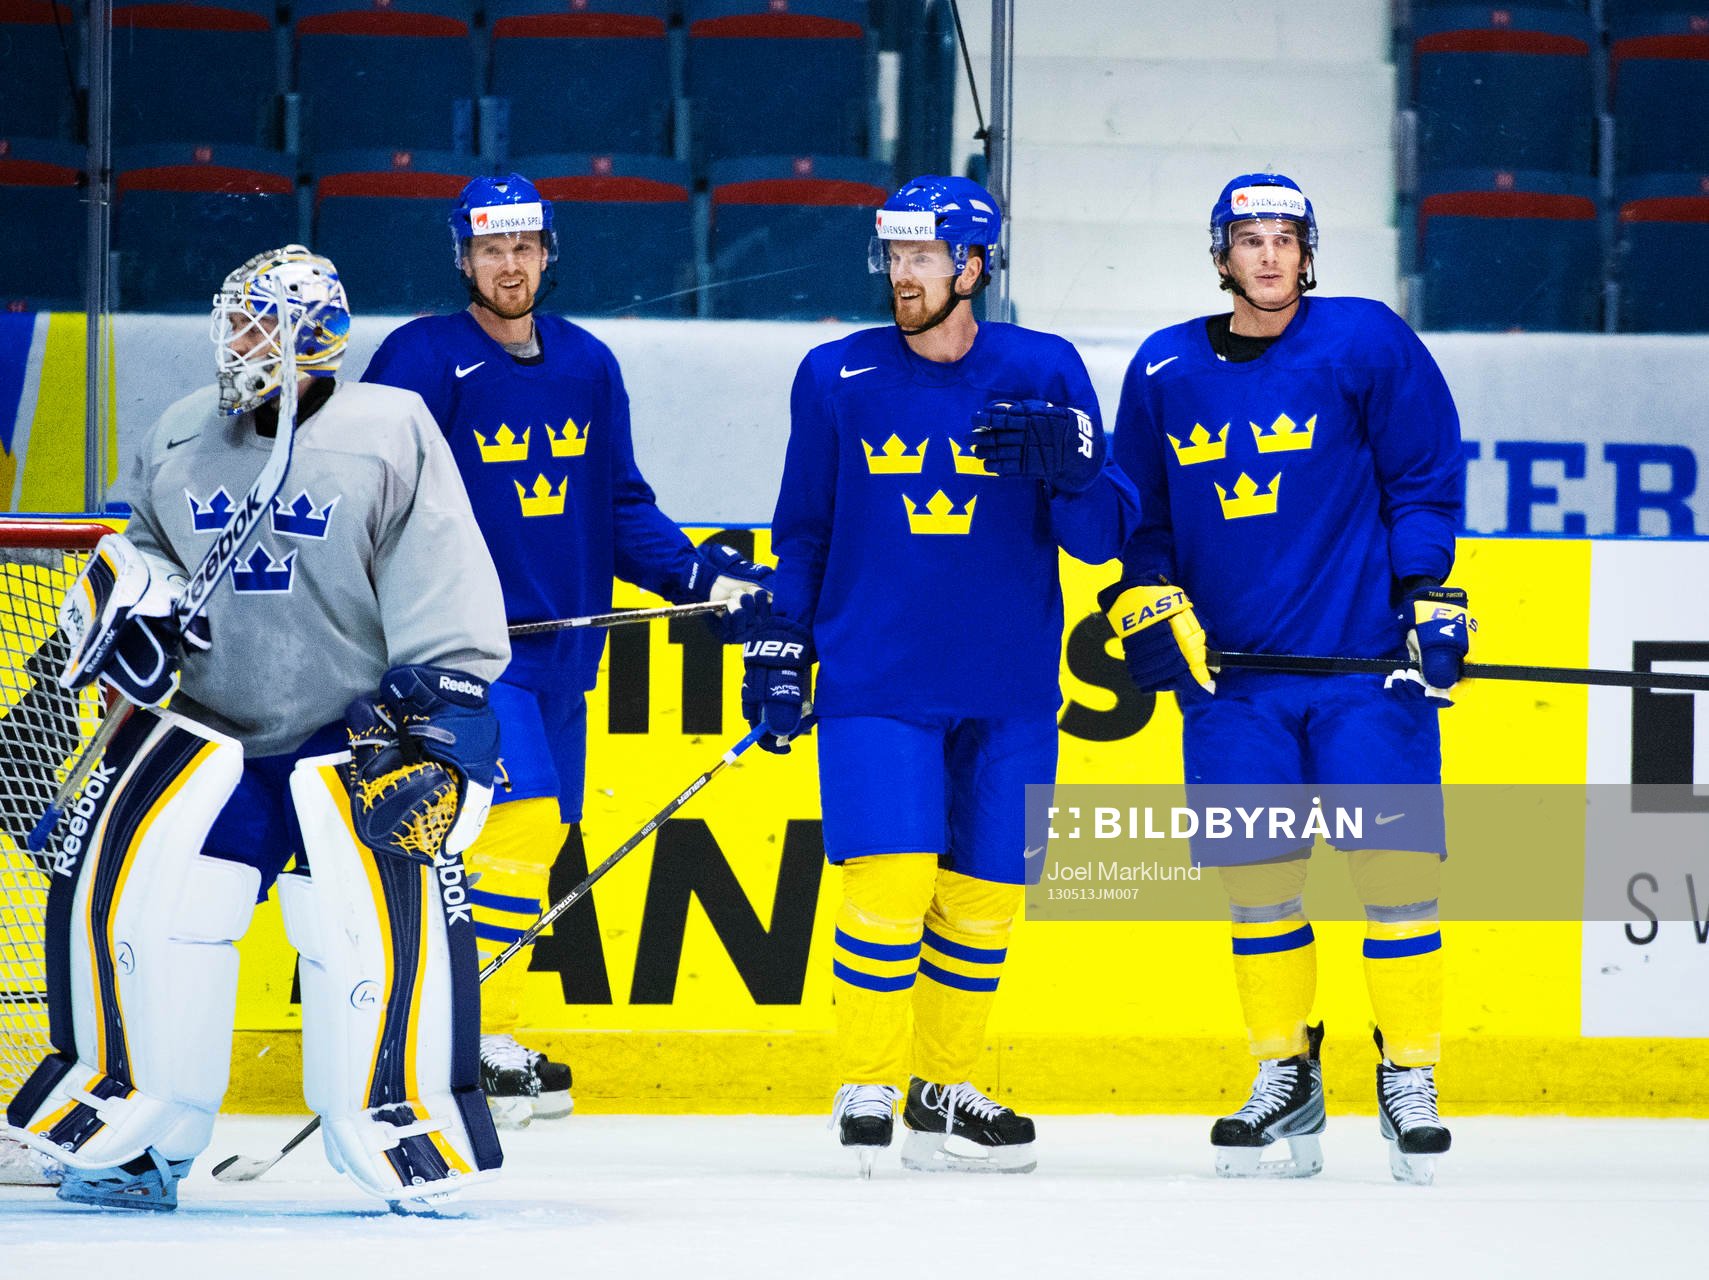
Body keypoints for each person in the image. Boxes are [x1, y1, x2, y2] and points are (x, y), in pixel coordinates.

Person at [2, 246, 511, 1211]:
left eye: (253, 323)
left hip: (346, 743)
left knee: (365, 940)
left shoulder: (388, 427)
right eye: (231, 320)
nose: (233, 341)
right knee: (162, 928)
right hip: (209, 743)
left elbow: (441, 579)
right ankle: (142, 1143)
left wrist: (438, 713)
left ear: (308, 334)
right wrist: (126, 623)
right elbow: (140, 550)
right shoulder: (183, 429)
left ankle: (402, 1133)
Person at [742, 175, 1141, 1175]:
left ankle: (940, 1087)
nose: (901, 275)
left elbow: (1097, 539)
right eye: (893, 256)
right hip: (878, 678)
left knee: (986, 895)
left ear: (971, 266)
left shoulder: (1043, 366)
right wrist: (783, 640)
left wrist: (1082, 464)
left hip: (1008, 687)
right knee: (888, 880)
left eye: (922, 257)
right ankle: (869, 1077)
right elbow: (801, 528)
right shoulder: (834, 375)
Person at [362, 174, 771, 1126]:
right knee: (515, 830)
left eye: (526, 246)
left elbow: (620, 504)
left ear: (549, 253)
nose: (510, 264)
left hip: (561, 662)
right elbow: (365, 501)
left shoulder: (587, 363)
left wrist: (701, 581)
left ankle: (470, 1030)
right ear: (462, 256)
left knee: (525, 851)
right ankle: (462, 1040)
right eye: (491, 247)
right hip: (460, 653)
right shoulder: (420, 358)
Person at [1103, 174, 1467, 1184]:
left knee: (1394, 885)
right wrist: (1143, 593)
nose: (1267, 256)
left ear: (1308, 252)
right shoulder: (1163, 367)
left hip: (1363, 677)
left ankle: (1407, 1073)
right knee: (1258, 889)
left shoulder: (1366, 341)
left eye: (1285, 238)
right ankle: (1284, 1071)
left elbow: (1421, 479)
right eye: (1247, 239)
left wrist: (1427, 591)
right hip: (1230, 688)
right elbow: (1142, 523)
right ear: (1218, 254)